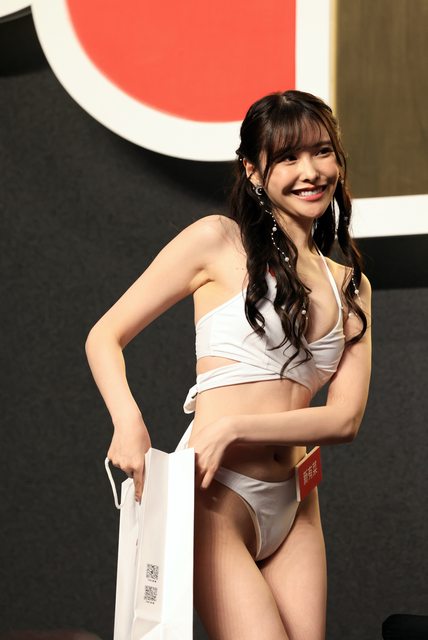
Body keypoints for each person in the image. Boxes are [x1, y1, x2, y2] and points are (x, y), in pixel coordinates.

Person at [85, 89, 371, 640]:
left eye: (322, 151)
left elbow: (345, 420)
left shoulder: (351, 287)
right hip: (215, 493)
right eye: (288, 157)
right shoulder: (216, 241)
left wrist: (236, 426)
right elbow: (104, 336)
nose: (310, 171)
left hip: (296, 501)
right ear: (253, 171)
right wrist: (128, 421)